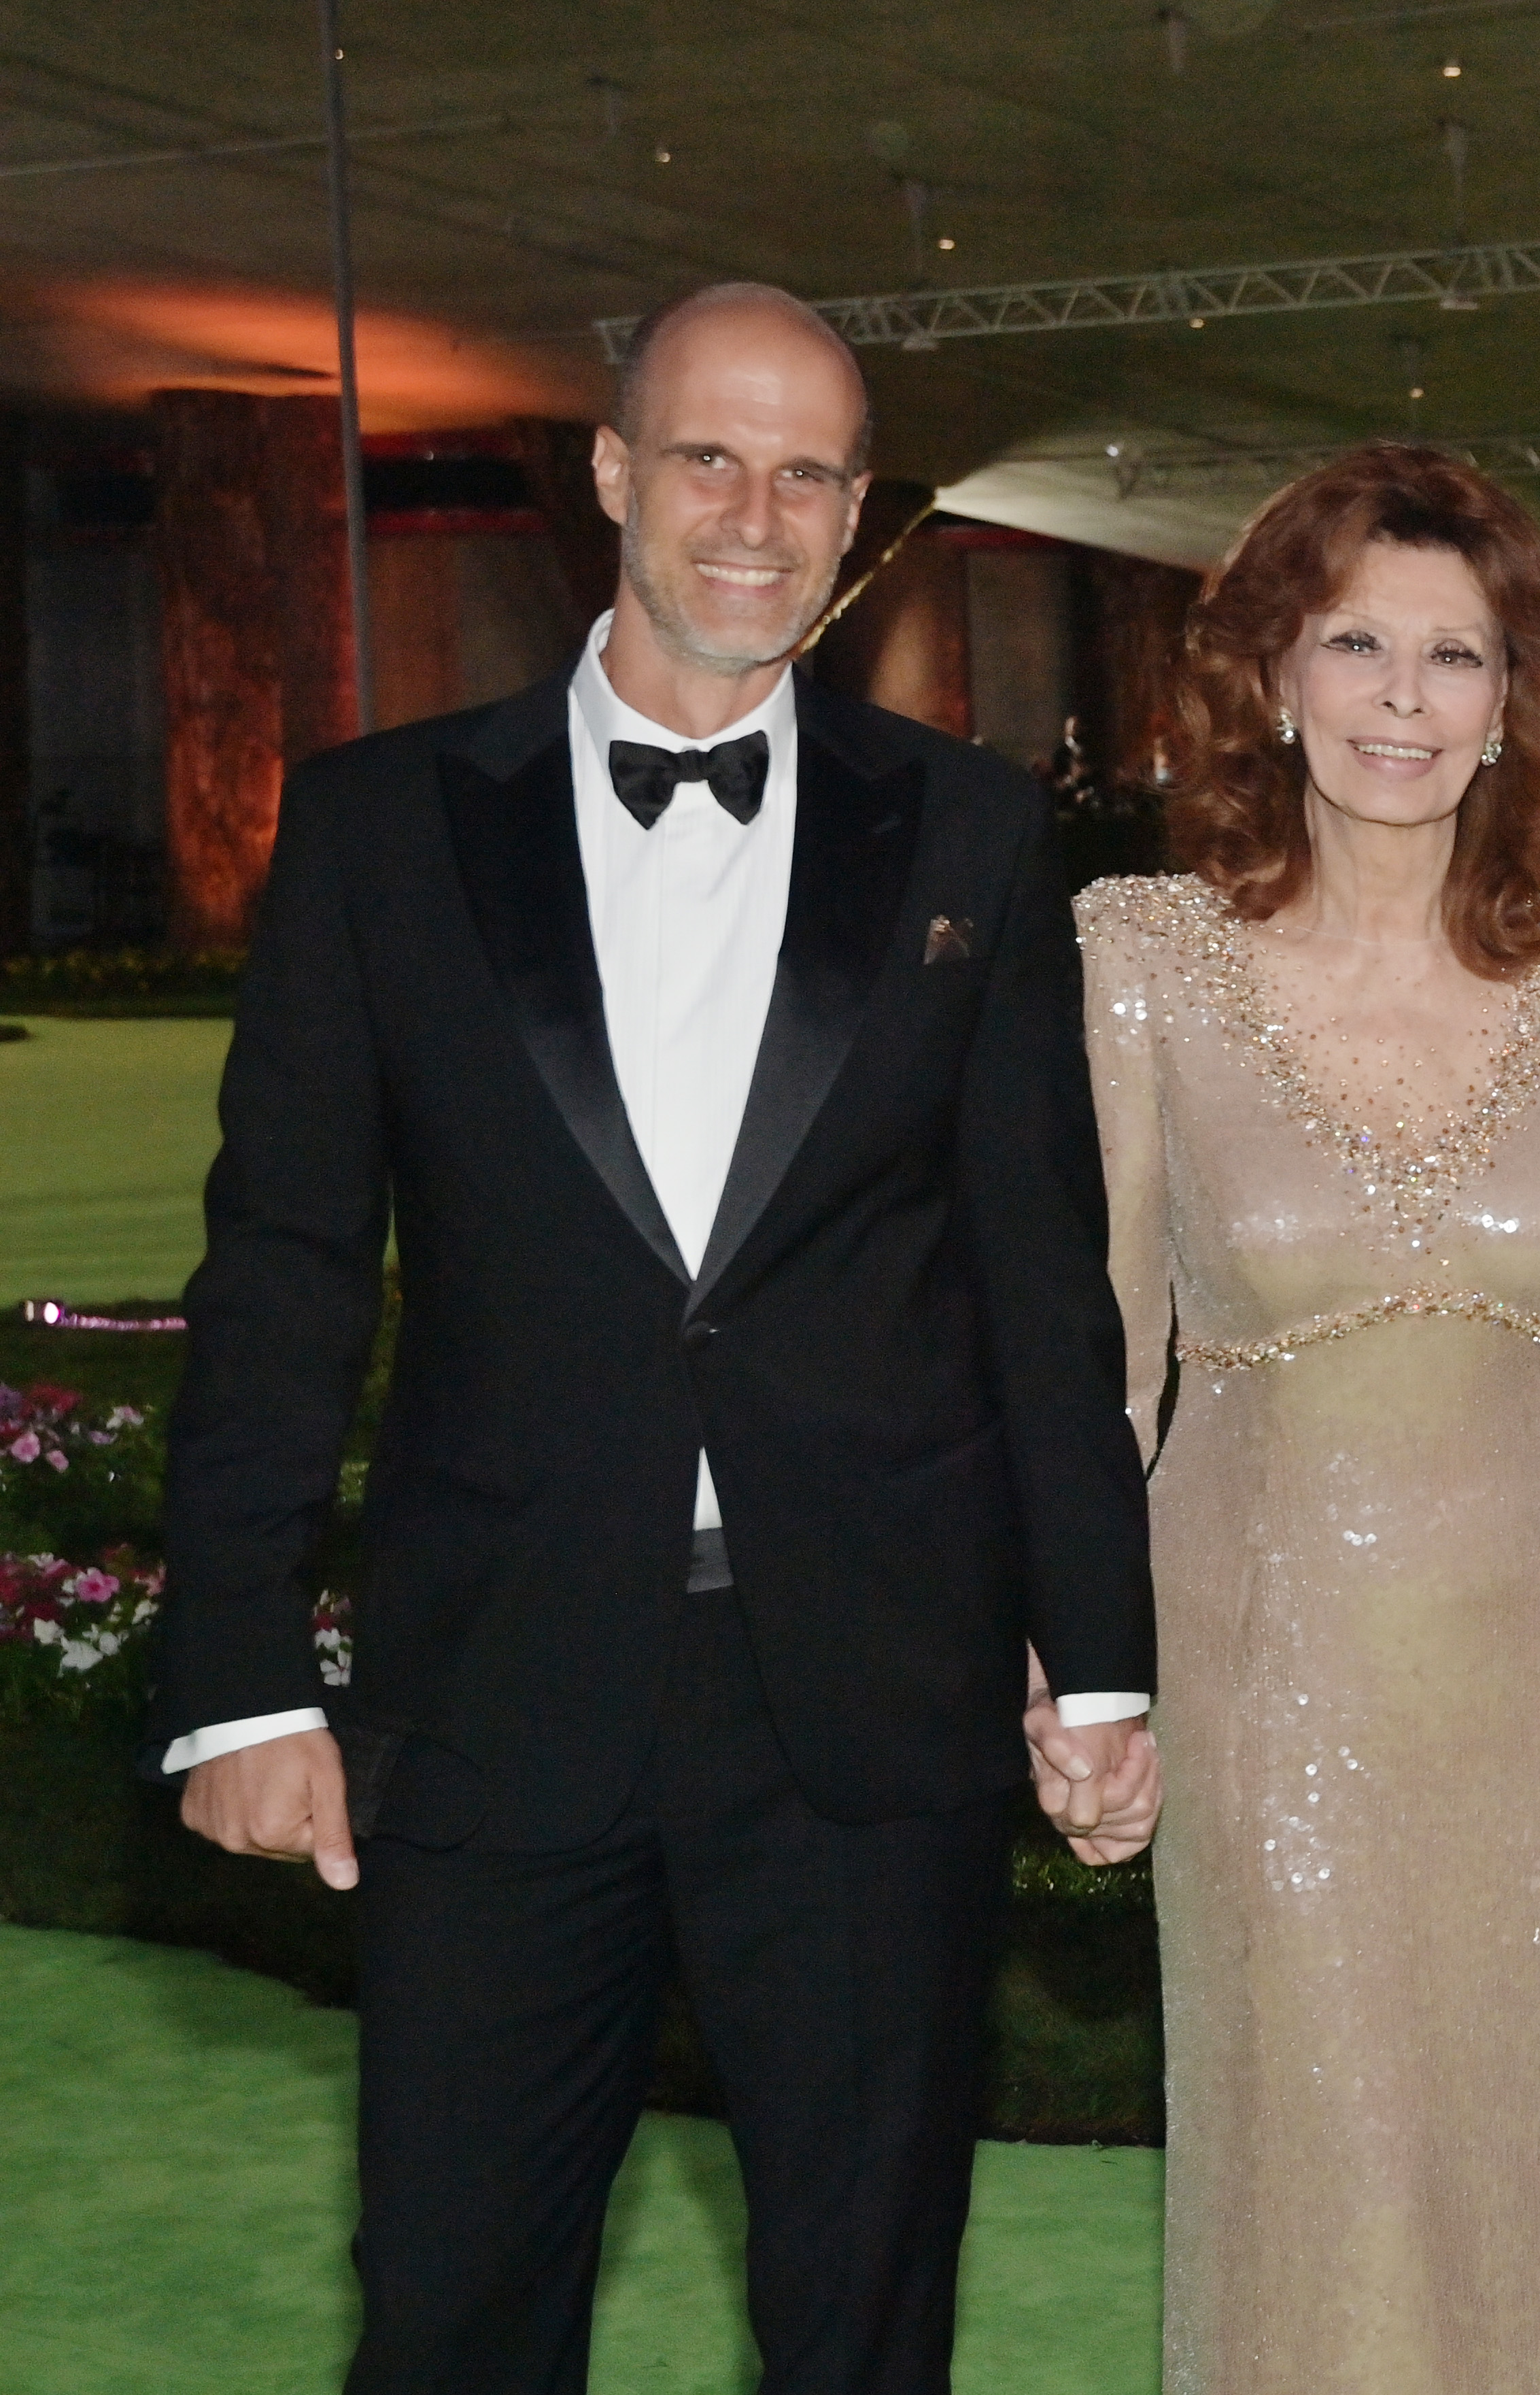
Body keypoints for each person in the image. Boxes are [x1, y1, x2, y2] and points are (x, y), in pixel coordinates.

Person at [151, 280, 1159, 2394]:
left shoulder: (967, 827)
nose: (754, 514)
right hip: (503, 1676)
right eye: (710, 454)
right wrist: (238, 1669)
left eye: (808, 474)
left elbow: (1033, 1278)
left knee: (863, 2311)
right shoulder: (374, 825)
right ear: (614, 474)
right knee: (448, 2303)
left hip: (869, 1699)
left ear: (854, 510)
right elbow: (283, 1266)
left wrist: (1104, 1646)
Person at [1073, 444, 1540, 2395]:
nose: (1405, 700)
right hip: (1267, 1659)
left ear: (1516, 700)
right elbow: (1105, 1346)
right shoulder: (1141, 958)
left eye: (1456, 655)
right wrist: (1073, 1666)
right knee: (1315, 2153)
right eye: (1358, 643)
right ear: (1272, 672)